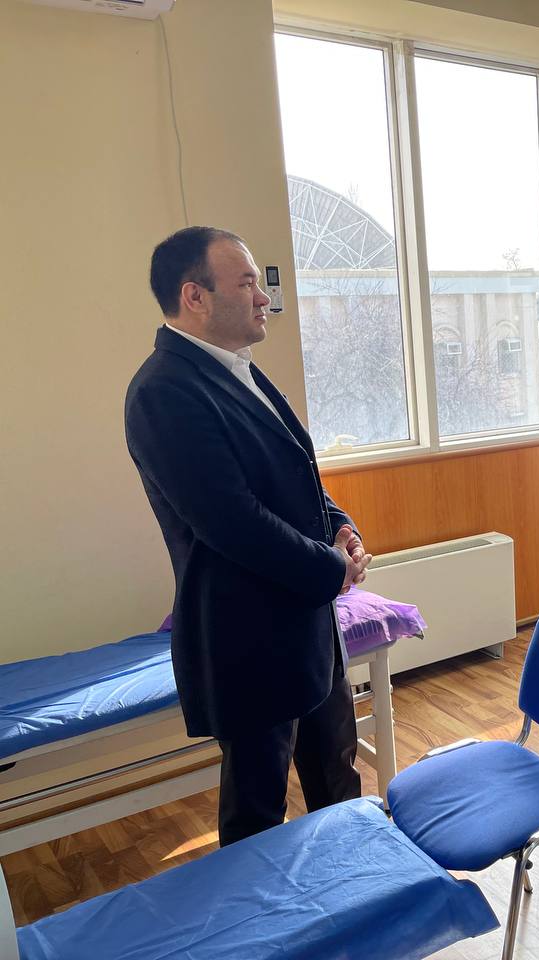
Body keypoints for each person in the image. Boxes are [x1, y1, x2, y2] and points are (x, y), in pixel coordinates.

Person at [125, 226, 372, 845]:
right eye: (246, 283)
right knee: (258, 816)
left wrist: (340, 527)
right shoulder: (163, 391)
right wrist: (332, 567)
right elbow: (232, 521)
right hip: (249, 638)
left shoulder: (239, 371)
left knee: (337, 778)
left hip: (307, 621)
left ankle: (355, 889)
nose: (265, 297)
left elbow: (295, 477)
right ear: (195, 296)